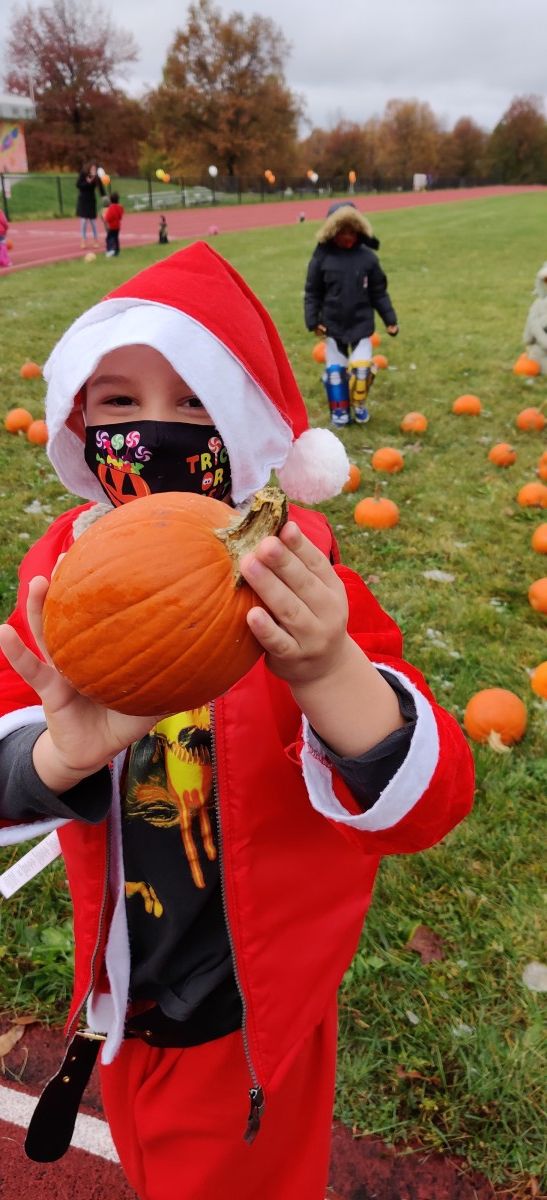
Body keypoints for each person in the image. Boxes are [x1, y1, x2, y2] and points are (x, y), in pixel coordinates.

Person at [0, 243, 474, 1200]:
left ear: (249, 432)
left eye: (193, 405)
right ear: (76, 423)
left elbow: (429, 805)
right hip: (122, 985)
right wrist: (59, 755)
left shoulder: (306, 587)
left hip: (246, 1005)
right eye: (120, 404)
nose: (155, 434)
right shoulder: (64, 573)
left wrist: (329, 669)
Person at [305, 201, 399, 427]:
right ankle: (340, 410)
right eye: (341, 231)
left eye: (352, 231)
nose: (347, 237)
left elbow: (379, 292)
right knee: (336, 373)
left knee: (361, 371)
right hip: (333, 325)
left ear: (359, 231)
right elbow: (312, 292)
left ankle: (359, 402)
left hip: (360, 324)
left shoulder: (368, 258)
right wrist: (313, 320)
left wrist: (390, 319)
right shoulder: (322, 258)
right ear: (332, 232)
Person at [76, 161, 105, 248]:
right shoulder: (83, 174)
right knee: (84, 221)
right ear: (89, 169)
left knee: (93, 222)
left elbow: (101, 188)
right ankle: (83, 240)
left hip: (91, 200)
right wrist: (87, 182)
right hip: (83, 200)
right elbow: (78, 185)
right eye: (92, 169)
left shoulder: (96, 177)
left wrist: (104, 197)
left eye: (95, 169)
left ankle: (96, 240)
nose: (93, 170)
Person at [103, 191, 125, 257]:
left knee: (108, 238)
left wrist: (105, 217)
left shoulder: (111, 208)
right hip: (118, 226)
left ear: (111, 200)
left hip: (112, 226)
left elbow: (108, 218)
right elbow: (120, 216)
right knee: (116, 238)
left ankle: (110, 250)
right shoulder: (120, 207)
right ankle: (117, 251)